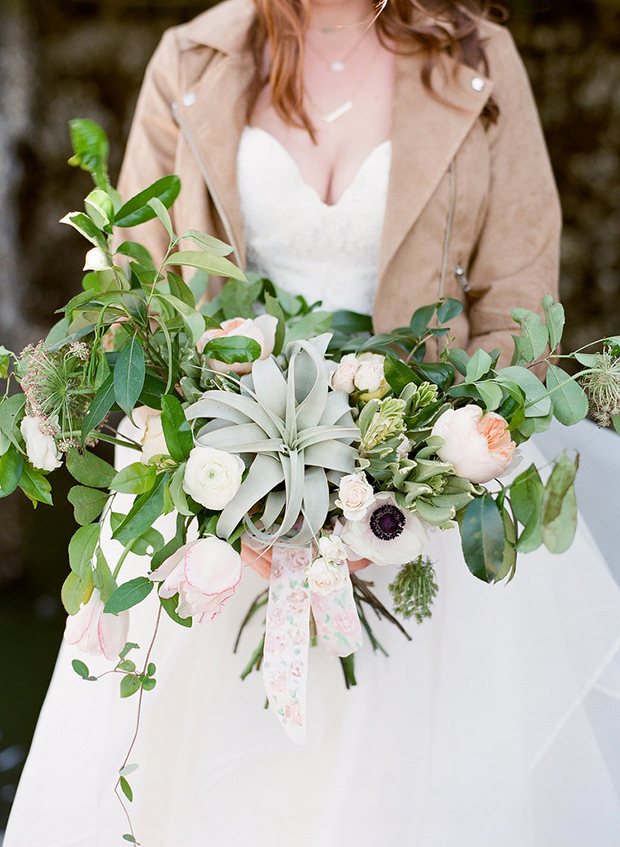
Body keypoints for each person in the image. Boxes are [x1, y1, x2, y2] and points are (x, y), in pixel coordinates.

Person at [5, 0, 620, 844]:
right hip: (217, 494)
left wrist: (413, 481)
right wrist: (229, 496)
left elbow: (517, 298)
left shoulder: (478, 60)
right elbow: (133, 306)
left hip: (426, 496)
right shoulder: (191, 60)